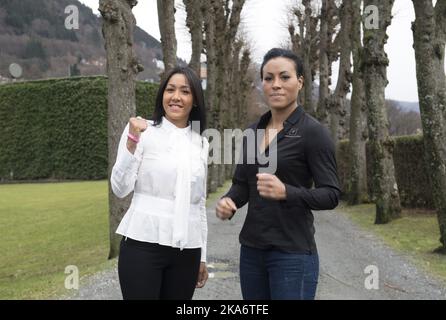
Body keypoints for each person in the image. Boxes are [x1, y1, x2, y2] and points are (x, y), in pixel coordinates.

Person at [216, 48, 341, 300]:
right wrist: (229, 202)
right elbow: (242, 185)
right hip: (251, 251)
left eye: (284, 77)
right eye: (268, 78)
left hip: (292, 254)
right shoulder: (253, 132)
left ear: (300, 82)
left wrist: (287, 192)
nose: (276, 85)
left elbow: (331, 195)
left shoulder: (313, 133)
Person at [110, 66, 209, 300]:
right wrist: (132, 142)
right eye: (170, 89)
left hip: (187, 251)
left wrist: (202, 255)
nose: (176, 97)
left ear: (194, 100)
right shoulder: (141, 130)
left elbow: (199, 203)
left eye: (185, 91)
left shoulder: (201, 143)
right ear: (162, 95)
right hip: (143, 244)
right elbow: (120, 188)